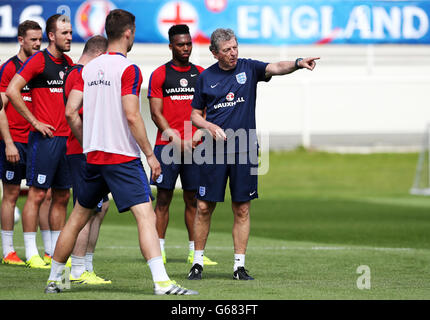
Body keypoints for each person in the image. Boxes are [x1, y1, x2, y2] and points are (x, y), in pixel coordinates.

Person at [45, 9, 198, 296]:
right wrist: (150, 155)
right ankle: (162, 283)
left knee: (77, 217)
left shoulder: (87, 69)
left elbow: (70, 112)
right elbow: (132, 116)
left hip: (93, 156)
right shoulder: (129, 69)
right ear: (129, 33)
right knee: (145, 216)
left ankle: (55, 280)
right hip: (122, 157)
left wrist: (87, 140)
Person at [188, 28, 319, 280]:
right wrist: (209, 126)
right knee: (204, 207)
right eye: (226, 50)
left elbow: (276, 67)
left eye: (235, 47)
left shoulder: (248, 68)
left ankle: (239, 266)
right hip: (213, 153)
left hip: (245, 150)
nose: (233, 53)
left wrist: (298, 63)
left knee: (242, 209)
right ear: (215, 53)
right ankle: (197, 263)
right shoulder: (206, 78)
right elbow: (194, 114)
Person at [6, 14, 73, 269]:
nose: (69, 37)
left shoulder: (69, 63)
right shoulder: (37, 60)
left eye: (70, 32)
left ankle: (54, 253)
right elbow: (12, 91)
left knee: (62, 197)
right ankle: (32, 252)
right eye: (64, 33)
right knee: (36, 194)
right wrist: (35, 122)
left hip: (67, 140)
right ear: (52, 36)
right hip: (44, 140)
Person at [148, 24, 217, 266]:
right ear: (171, 46)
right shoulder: (159, 74)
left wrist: (198, 134)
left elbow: (208, 110)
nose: (186, 48)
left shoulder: (201, 74)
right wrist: (175, 138)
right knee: (163, 198)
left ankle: (194, 253)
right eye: (180, 44)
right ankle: (159, 251)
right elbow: (156, 113)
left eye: (188, 43)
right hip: (167, 146)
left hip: (195, 146)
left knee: (195, 200)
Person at [62, 35, 111, 284]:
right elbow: (74, 114)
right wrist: (88, 144)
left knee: (99, 207)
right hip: (82, 151)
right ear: (99, 55)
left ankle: (86, 267)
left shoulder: (76, 72)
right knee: (85, 210)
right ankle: (78, 270)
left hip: (88, 151)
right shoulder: (81, 74)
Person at [0, 20, 43, 266]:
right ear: (20, 40)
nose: (37, 44)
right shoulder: (8, 69)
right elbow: (0, 109)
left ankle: (40, 251)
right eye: (33, 40)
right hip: (15, 140)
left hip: (38, 141)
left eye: (40, 40)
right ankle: (8, 251)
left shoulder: (41, 67)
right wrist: (8, 142)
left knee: (42, 195)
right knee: (12, 193)